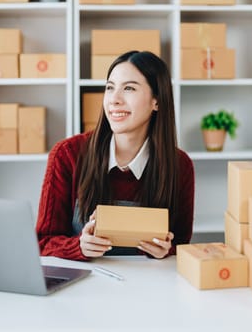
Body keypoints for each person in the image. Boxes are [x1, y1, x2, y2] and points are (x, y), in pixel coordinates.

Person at [36, 50, 195, 261]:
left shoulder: (179, 165)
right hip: (82, 289)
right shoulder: (67, 155)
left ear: (156, 101)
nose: (114, 99)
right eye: (110, 88)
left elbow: (181, 246)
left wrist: (166, 250)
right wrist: (78, 246)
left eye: (129, 88)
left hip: (148, 286)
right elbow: (42, 242)